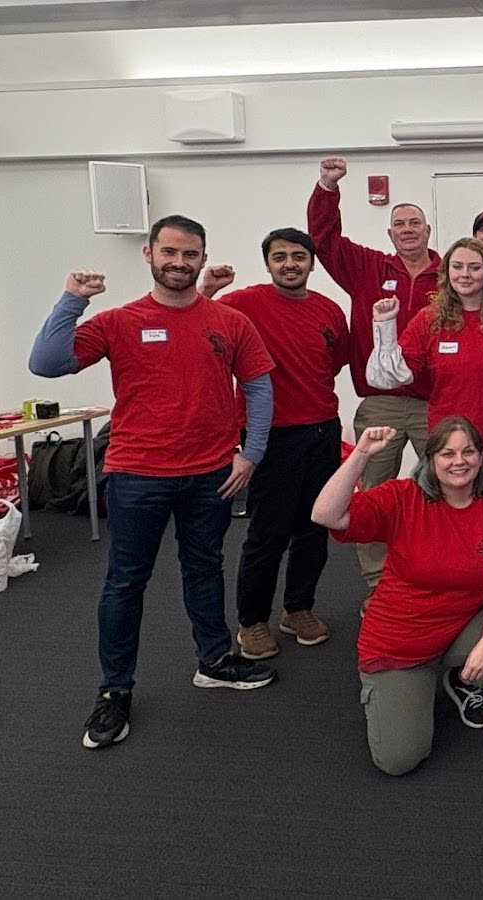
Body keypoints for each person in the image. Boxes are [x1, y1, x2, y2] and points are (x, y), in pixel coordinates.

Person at [28, 215, 278, 749]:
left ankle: (214, 660)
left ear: (203, 257)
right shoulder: (120, 321)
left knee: (205, 568)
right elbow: (46, 363)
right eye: (169, 252)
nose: (179, 262)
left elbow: (258, 387)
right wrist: (72, 300)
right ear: (149, 254)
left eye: (190, 254)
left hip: (211, 475)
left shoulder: (229, 322)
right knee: (125, 583)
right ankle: (115, 690)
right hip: (137, 475)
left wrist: (252, 453)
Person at [313, 419, 483, 777]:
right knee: (399, 761)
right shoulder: (403, 497)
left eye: (468, 451)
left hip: (458, 626)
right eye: (447, 453)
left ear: (481, 457)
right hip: (400, 643)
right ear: (430, 459)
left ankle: (459, 680)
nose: (459, 461)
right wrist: (361, 455)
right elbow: (326, 514)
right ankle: (398, 691)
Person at [198, 228, 350, 660]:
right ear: (267, 264)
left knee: (315, 527)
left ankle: (298, 609)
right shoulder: (243, 303)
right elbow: (197, 320)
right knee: (269, 532)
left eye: (298, 256)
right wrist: (208, 289)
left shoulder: (329, 309)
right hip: (270, 436)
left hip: (322, 430)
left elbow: (334, 362)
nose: (289, 264)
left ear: (311, 263)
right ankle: (252, 621)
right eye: (279, 256)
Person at [308, 156, 437, 593]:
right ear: (390, 234)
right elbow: (324, 240)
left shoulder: (450, 275)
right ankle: (378, 582)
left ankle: (438, 570)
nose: (407, 229)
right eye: (399, 224)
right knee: (374, 492)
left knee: (448, 484)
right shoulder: (368, 268)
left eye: (414, 223)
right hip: (381, 403)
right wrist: (328, 188)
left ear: (428, 231)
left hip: (436, 402)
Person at [367, 237, 483, 503]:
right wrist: (385, 328)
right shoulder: (429, 319)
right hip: (451, 453)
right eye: (458, 266)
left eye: (474, 267)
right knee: (451, 525)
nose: (465, 274)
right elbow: (388, 378)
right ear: (447, 272)